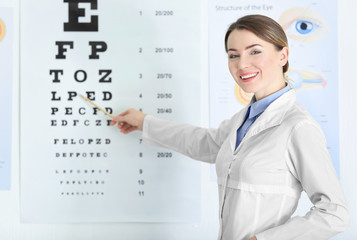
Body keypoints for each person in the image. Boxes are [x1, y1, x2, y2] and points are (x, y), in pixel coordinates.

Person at [110, 15, 349, 240]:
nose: (242, 64)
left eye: (255, 51)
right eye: (233, 55)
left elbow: (334, 213)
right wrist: (144, 122)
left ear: (283, 55)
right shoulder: (244, 119)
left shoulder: (297, 126)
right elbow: (204, 143)